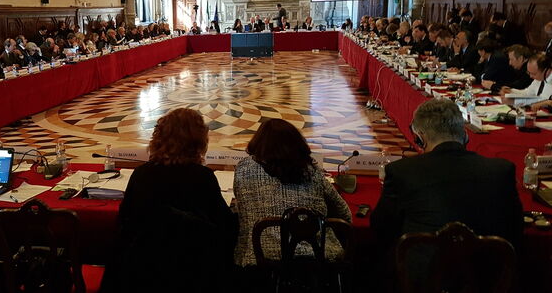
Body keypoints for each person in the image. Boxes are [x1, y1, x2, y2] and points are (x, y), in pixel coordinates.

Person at [101, 108, 237, 293]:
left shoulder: (142, 174)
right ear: (198, 141)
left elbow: (125, 222)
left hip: (143, 272)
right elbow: (223, 226)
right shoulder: (202, 177)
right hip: (192, 272)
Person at [371, 98, 522, 249]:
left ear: (420, 138)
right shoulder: (501, 171)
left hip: (420, 262)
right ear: (465, 136)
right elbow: (516, 228)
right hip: (487, 262)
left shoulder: (401, 171)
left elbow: (381, 226)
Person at [233, 119, 351, 271]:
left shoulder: (243, 169)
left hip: (259, 261)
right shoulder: (312, 171)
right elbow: (345, 215)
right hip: (317, 262)